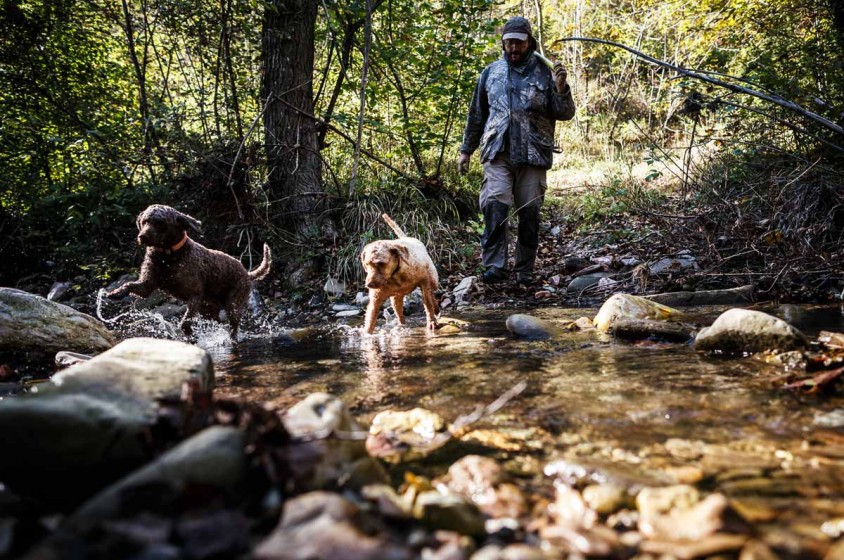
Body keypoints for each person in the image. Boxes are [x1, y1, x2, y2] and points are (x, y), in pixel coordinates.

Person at [458, 16, 575, 285]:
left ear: (530, 43)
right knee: (495, 206)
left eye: (519, 43)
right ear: (503, 43)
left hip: (534, 155)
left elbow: (565, 113)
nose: (513, 48)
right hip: (498, 153)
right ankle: (495, 267)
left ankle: (524, 270)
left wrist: (561, 88)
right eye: (509, 42)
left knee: (530, 213)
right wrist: (466, 150)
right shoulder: (491, 73)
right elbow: (477, 114)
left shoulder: (547, 73)